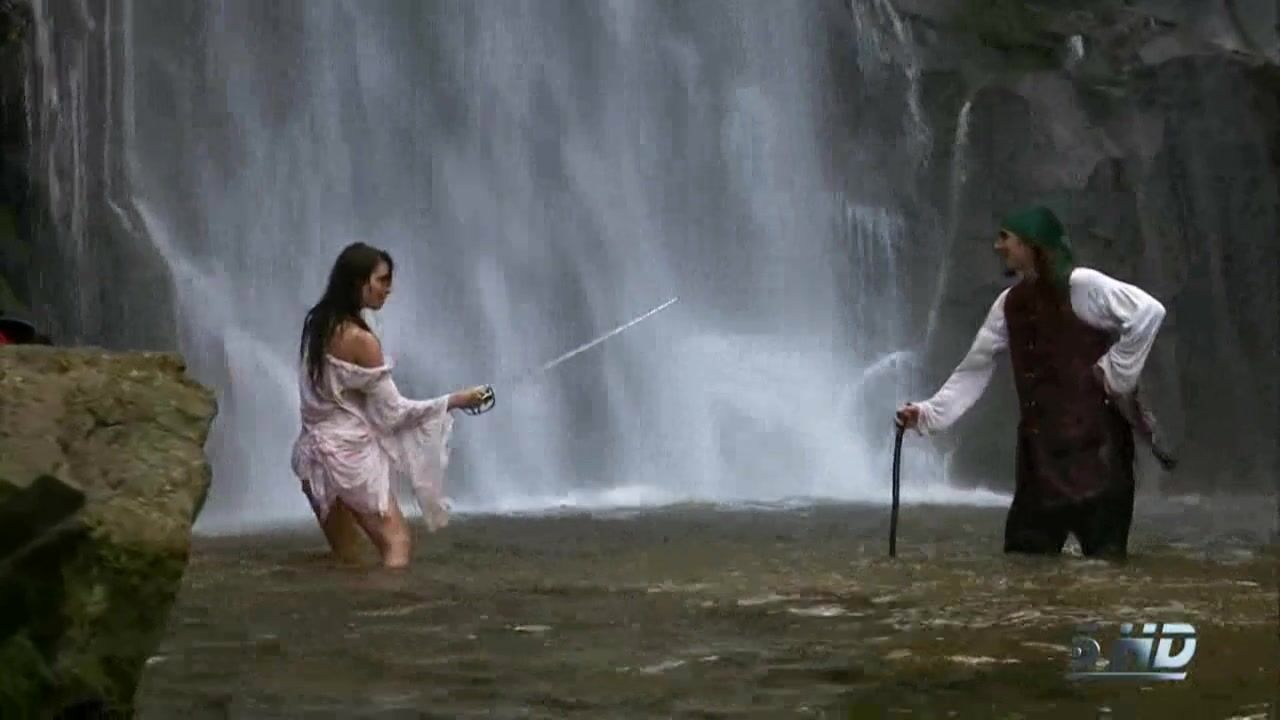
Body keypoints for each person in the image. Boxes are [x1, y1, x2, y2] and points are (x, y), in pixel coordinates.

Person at [895, 206, 1167, 559]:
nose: (998, 246)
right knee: (1025, 564)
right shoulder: (1008, 304)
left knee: (1104, 569)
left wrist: (1116, 372)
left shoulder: (1083, 285)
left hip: (1099, 459)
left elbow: (1148, 312)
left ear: (1031, 244)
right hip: (1041, 464)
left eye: (1005, 237)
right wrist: (927, 414)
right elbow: (974, 369)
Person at [291, 242, 490, 568]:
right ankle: (393, 600)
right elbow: (394, 414)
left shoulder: (317, 324)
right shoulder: (361, 340)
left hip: (312, 458)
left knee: (348, 558)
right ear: (359, 282)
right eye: (382, 280)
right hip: (350, 458)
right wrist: (457, 400)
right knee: (396, 542)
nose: (389, 289)